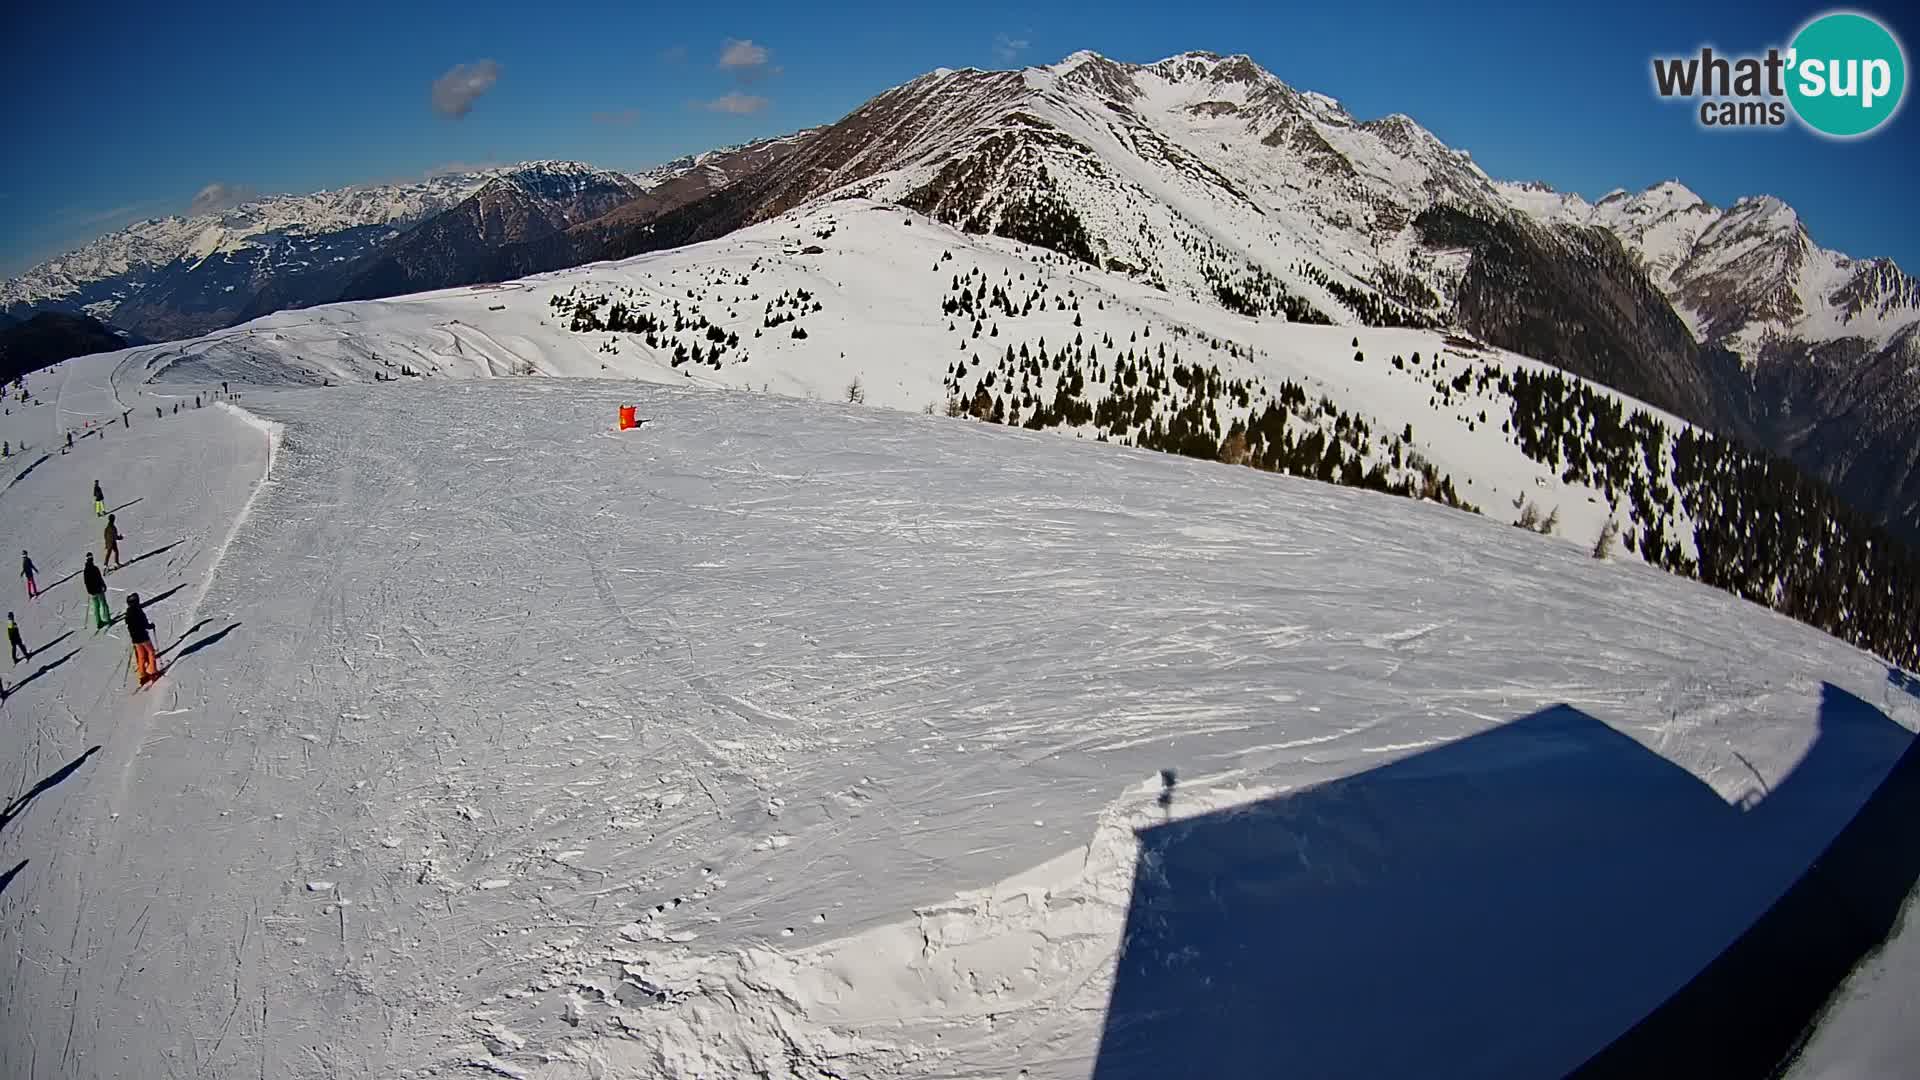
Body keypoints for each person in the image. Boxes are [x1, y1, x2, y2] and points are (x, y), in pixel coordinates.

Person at [125, 593, 158, 687]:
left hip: (135, 638)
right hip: (143, 636)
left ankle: (142, 674)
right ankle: (153, 671)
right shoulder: (138, 611)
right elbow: (145, 624)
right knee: (151, 652)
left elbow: (129, 625)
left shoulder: (128, 613)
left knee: (141, 656)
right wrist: (151, 626)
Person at [82, 554, 109, 631]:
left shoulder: (85, 571)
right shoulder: (95, 568)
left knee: (96, 606)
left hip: (92, 591)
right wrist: (103, 585)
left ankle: (98, 621)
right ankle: (107, 618)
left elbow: (86, 582)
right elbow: (100, 578)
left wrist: (89, 590)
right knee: (103, 604)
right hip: (98, 590)